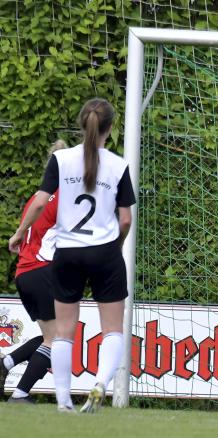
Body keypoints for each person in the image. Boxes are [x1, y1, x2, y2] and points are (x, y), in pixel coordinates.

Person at [8, 98, 136, 413]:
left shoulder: (61, 159)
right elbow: (125, 220)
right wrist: (115, 247)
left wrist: (19, 232)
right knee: (113, 330)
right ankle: (101, 384)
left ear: (82, 125)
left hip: (67, 253)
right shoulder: (119, 166)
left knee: (63, 333)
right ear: (110, 128)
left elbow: (39, 203)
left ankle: (63, 402)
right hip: (104, 251)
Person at [0, 140, 66, 403]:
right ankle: (20, 394)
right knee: (57, 339)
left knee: (49, 335)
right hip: (42, 271)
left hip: (24, 274)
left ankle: (6, 362)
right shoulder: (65, 198)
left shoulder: (35, 199)